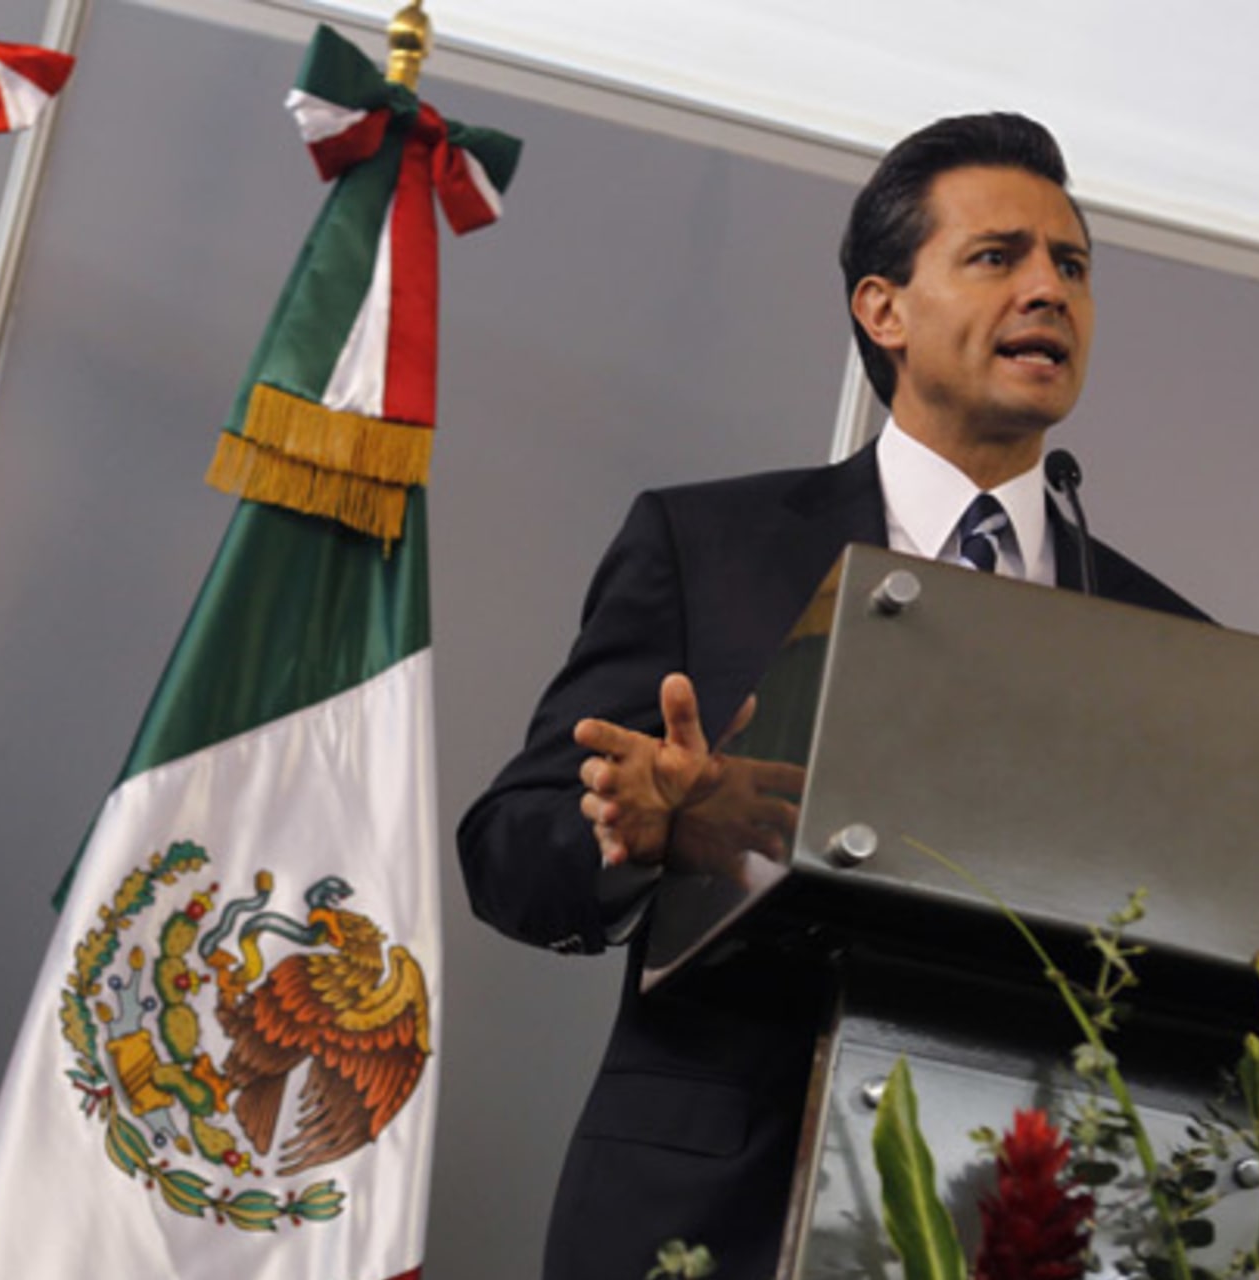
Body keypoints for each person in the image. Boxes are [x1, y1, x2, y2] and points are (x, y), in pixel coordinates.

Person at [456, 112, 1209, 1279]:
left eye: (1072, 265)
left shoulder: (1169, 641)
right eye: (998, 256)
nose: (1050, 291)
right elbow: (510, 850)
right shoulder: (708, 544)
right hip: (721, 1210)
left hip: (1035, 1222)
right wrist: (645, 835)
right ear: (883, 309)